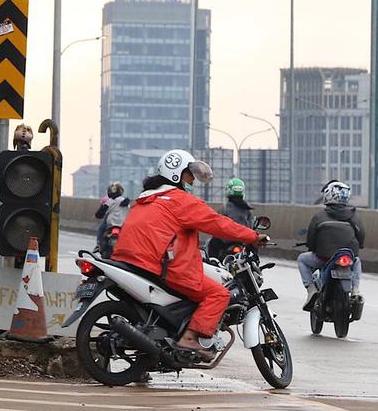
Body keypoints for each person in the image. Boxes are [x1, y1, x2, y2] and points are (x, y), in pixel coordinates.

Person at [113, 149, 265, 359]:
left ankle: (149, 357)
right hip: (161, 266)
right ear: (176, 174)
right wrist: (252, 236)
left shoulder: (146, 198)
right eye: (188, 173)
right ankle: (191, 338)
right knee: (219, 294)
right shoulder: (179, 200)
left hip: (130, 261)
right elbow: (217, 224)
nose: (192, 179)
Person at [299, 180, 365, 311]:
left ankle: (311, 290)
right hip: (348, 256)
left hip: (324, 258)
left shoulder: (319, 216)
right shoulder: (354, 215)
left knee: (302, 259)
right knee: (357, 262)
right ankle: (356, 290)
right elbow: (361, 235)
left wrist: (312, 248)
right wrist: (360, 246)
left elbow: (311, 238)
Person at [207, 178, 253, 261]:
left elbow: (217, 224)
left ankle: (213, 263)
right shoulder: (247, 209)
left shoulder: (224, 209)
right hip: (243, 240)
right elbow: (251, 225)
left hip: (226, 241)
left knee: (212, 244)